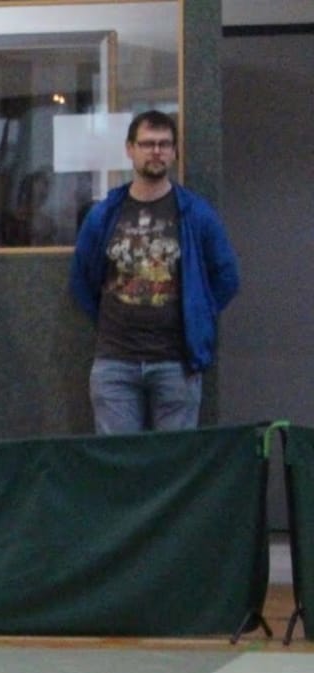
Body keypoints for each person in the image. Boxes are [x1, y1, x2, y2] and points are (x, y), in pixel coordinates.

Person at [68, 111, 240, 434]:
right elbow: (82, 279)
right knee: (118, 459)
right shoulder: (104, 214)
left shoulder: (196, 214)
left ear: (174, 152)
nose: (156, 151)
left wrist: (198, 310)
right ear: (130, 149)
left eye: (164, 144)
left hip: (176, 361)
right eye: (147, 144)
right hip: (115, 360)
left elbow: (227, 277)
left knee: (176, 460)